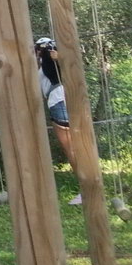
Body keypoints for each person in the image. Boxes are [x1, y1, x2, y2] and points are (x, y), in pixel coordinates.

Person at [35, 37, 81, 206]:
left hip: (58, 101)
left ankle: (85, 189)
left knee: (71, 148)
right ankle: (87, 187)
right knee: (76, 146)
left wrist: (56, 55)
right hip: (64, 99)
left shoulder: (50, 60)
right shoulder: (45, 66)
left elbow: (68, 59)